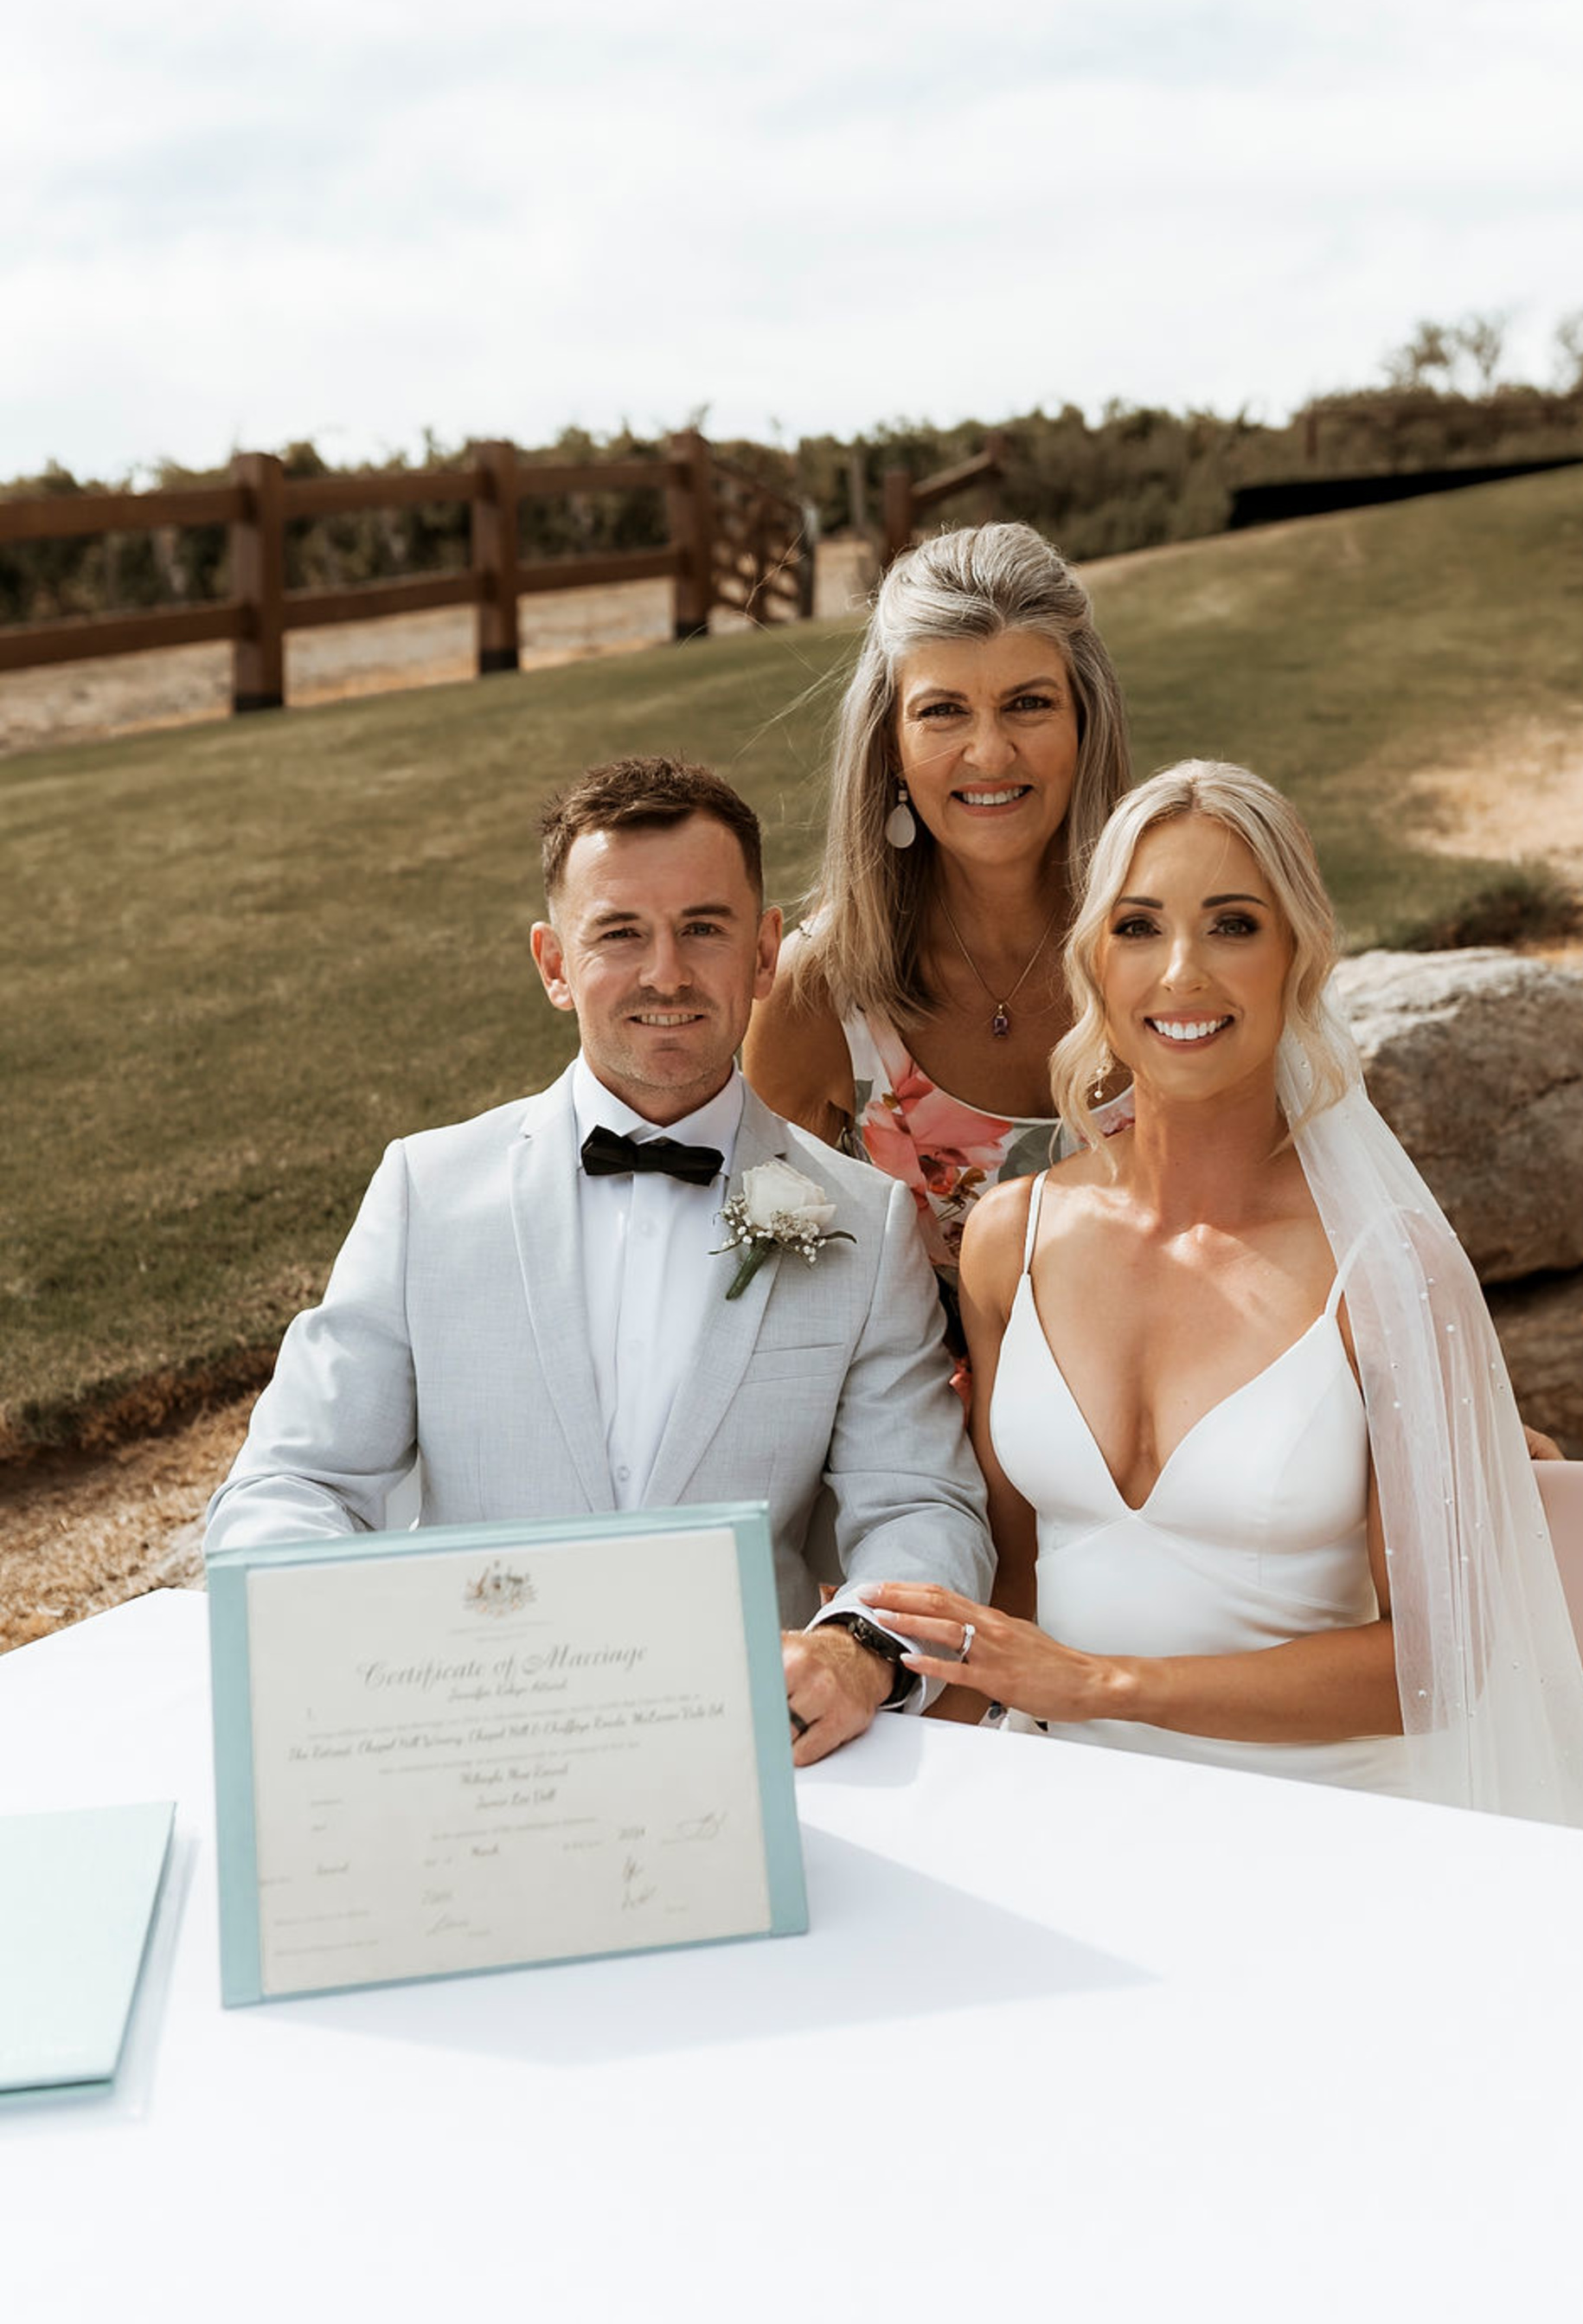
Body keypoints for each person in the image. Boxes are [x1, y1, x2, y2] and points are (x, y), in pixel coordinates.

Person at [866, 759, 1583, 1833]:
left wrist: (1104, 1686)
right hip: (1061, 1810)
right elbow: (1013, 1573)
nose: (1180, 973)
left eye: (1231, 925)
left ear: (1298, 959)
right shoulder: (1010, 1238)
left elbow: (1441, 1664)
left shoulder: (1385, 1271)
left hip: (1321, 1832)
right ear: (1092, 961)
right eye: (1137, 926)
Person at [206, 754, 994, 1765]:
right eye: (618, 933)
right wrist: (357, 1647)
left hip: (757, 1750)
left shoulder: (866, 1223)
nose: (664, 973)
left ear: (762, 955)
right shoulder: (424, 1193)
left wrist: (856, 1651)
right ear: (552, 962)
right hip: (466, 1743)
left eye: (702, 928)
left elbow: (922, 1503)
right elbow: (293, 1483)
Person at [744, 522, 1137, 1345]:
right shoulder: (817, 991)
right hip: (934, 1448)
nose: (990, 752)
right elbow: (774, 1297)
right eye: (943, 712)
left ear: (1085, 722)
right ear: (889, 744)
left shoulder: (1167, 941)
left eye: (1029, 703)